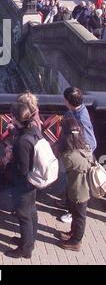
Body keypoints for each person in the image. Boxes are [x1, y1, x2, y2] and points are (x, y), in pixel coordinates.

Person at [4, 103, 42, 259]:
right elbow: (24, 134)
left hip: (23, 184)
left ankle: (25, 250)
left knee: (23, 215)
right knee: (31, 210)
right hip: (33, 181)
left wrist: (8, 161)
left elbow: (22, 170)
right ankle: (30, 239)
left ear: (14, 117)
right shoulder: (33, 130)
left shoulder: (22, 143)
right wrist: (14, 130)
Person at [59, 87, 97, 224]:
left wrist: (82, 156)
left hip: (77, 159)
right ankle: (68, 204)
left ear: (68, 101)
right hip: (73, 154)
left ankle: (71, 213)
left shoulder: (81, 117)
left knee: (76, 187)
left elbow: (91, 142)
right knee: (71, 184)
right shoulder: (76, 111)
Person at [57, 118, 92, 252]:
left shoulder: (69, 156)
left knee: (79, 217)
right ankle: (73, 234)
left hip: (79, 191)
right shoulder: (84, 147)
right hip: (80, 188)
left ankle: (76, 241)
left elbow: (63, 167)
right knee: (76, 214)